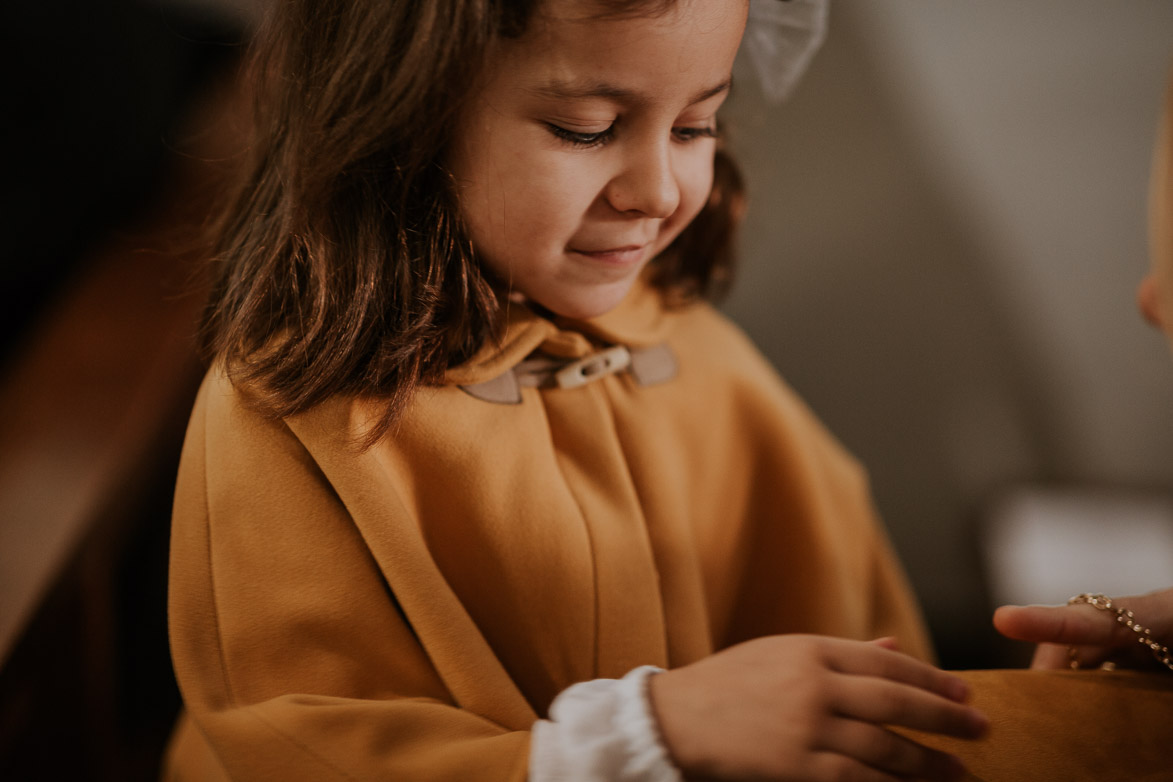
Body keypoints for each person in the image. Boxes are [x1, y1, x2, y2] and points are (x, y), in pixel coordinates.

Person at [162, 1, 989, 780]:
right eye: (584, 130)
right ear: (403, 113)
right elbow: (297, 740)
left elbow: (858, 640)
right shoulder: (288, 411)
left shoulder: (696, 355)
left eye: (696, 124)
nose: (660, 192)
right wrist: (641, 737)